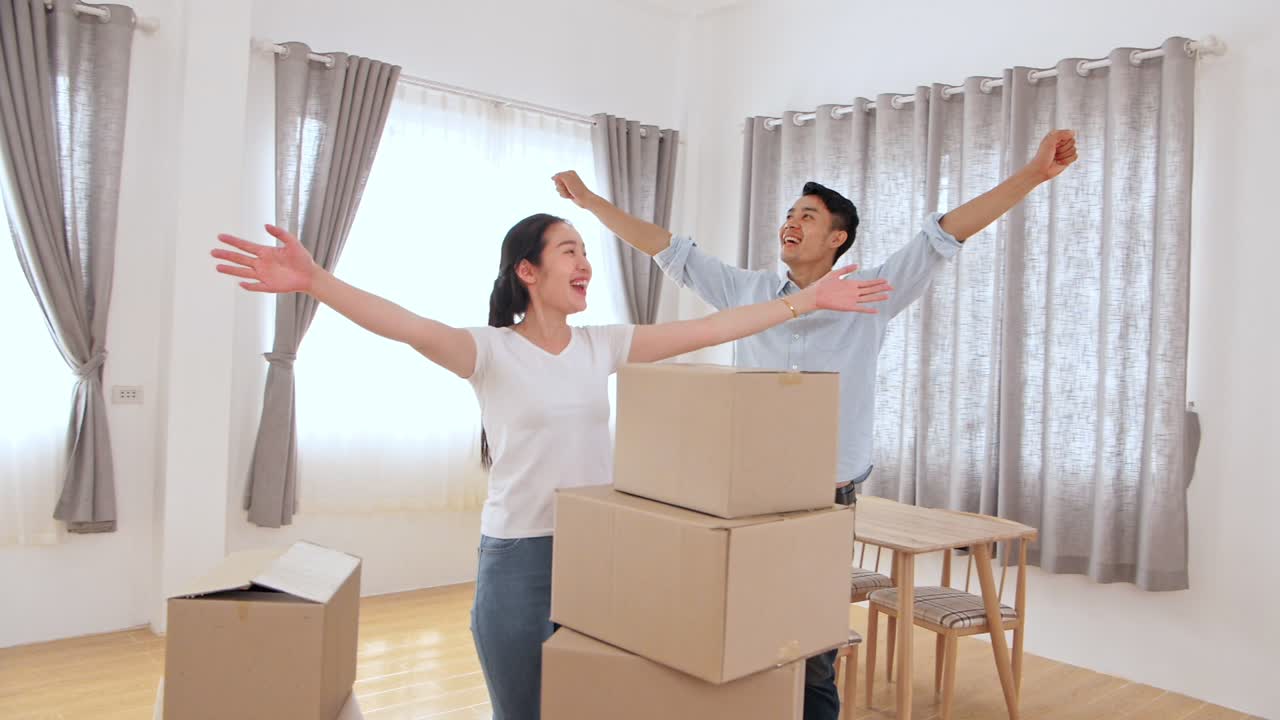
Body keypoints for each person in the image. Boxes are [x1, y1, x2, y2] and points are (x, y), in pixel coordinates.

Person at [210, 210, 894, 720]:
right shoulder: (489, 352)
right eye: (570, 249)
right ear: (528, 271)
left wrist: (808, 300)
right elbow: (402, 322)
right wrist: (314, 281)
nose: (586, 263)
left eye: (586, 253)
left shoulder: (602, 346)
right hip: (519, 561)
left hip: (601, 555)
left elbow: (713, 329)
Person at [552, 128, 1078, 720]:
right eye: (788, 213)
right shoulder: (747, 292)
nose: (790, 222)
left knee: (812, 645)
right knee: (741, 635)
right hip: (744, 493)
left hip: (827, 495)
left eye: (807, 214)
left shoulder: (872, 290)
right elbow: (669, 249)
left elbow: (945, 234)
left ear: (837, 238)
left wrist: (1032, 174)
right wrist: (592, 202)